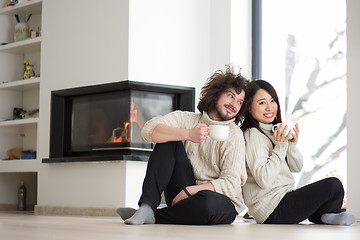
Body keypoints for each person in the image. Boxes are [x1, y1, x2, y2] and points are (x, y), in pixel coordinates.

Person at [117, 66, 249, 225]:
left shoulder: (234, 135)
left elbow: (232, 184)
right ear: (215, 94)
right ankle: (146, 206)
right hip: (182, 192)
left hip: (218, 200)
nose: (234, 104)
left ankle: (154, 215)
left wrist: (191, 191)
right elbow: (149, 130)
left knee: (207, 203)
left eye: (240, 102)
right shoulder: (186, 119)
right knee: (168, 137)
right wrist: (187, 134)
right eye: (230, 96)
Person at [240, 80, 357, 225]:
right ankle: (326, 215)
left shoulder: (271, 131)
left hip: (283, 199)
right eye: (262, 103)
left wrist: (291, 146)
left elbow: (297, 167)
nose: (270, 107)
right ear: (249, 108)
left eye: (272, 101)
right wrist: (281, 147)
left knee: (336, 188)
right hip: (271, 209)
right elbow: (264, 179)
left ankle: (324, 216)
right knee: (333, 185)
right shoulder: (253, 135)